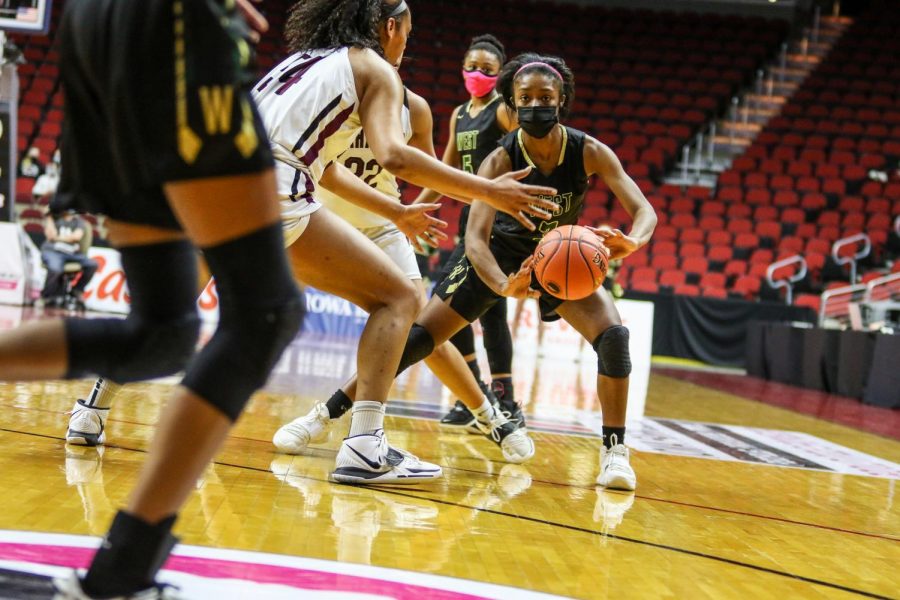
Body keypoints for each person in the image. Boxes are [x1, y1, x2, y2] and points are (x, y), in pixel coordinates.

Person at [66, 0, 555, 489]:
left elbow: (331, 167)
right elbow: (395, 158)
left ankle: (90, 411)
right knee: (400, 299)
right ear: (388, 27)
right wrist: (490, 191)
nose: (407, 42)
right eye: (407, 31)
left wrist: (395, 212)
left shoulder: (303, 61)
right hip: (270, 187)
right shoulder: (375, 71)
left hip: (205, 174)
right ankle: (365, 445)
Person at [2, 0, 308, 597]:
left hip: (94, 24)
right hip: (170, 24)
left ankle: (123, 571)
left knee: (161, 334)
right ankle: (123, 573)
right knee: (264, 312)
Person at [307, 52, 657, 490]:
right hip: (495, 254)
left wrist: (634, 240)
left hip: (556, 260)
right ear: (511, 104)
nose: (535, 105)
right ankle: (326, 413)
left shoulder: (588, 151)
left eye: (545, 97)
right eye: (524, 98)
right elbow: (474, 238)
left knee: (614, 339)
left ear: (561, 99)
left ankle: (615, 453)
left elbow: (643, 210)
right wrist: (502, 284)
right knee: (416, 339)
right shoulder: (499, 159)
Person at [416, 34, 523, 432]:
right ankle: (472, 395)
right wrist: (417, 206)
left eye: (487, 70)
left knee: (493, 314)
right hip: (468, 222)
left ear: (499, 75)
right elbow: (444, 168)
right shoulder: (459, 114)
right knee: (452, 307)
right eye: (471, 66)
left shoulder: (502, 111)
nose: (477, 74)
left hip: (499, 224)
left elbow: (522, 152)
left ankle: (506, 402)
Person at [40, 207, 98, 305]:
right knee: (55, 268)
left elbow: (76, 237)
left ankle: (76, 290)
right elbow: (50, 236)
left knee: (92, 264)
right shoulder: (54, 219)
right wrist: (49, 216)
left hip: (72, 253)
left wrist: (57, 238)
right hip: (53, 251)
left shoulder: (79, 222)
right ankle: (45, 296)